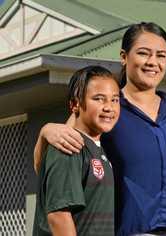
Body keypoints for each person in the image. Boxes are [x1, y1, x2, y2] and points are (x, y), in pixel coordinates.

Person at [33, 22, 166, 236]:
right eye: (143, 53)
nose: (153, 62)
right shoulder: (106, 112)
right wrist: (45, 132)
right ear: (124, 56)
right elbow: (54, 168)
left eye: (161, 55)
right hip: (130, 230)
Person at [33, 66, 120, 236]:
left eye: (115, 100)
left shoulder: (95, 147)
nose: (109, 107)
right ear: (75, 104)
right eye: (99, 99)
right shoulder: (68, 146)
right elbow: (59, 216)